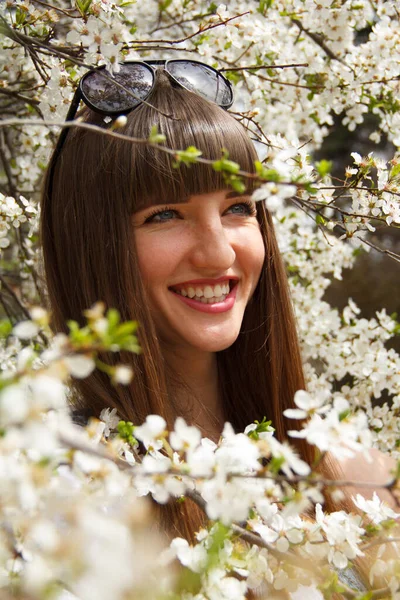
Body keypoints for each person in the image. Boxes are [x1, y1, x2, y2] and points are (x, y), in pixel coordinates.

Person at [40, 60, 395, 547]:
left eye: (237, 208)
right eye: (164, 214)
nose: (219, 253)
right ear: (89, 247)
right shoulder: (63, 498)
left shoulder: (361, 480)